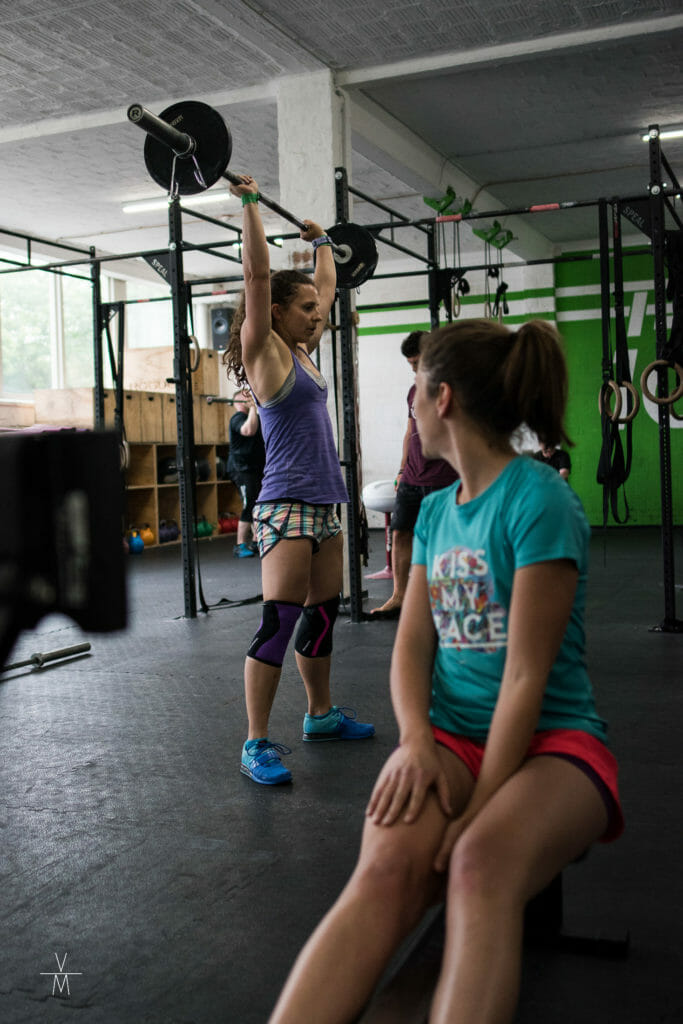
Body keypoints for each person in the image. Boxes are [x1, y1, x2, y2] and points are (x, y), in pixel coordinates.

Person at [267, 318, 623, 1024]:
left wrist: (480, 806)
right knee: (385, 872)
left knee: (477, 868)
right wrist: (416, 742)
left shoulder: (538, 500)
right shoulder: (432, 511)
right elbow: (412, 645)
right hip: (452, 737)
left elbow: (525, 677)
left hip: (553, 744)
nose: (412, 404)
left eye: (415, 390)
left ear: (444, 399)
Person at [223, 173, 374, 787]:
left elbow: (331, 286)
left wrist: (322, 249)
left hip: (326, 501)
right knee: (278, 621)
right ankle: (255, 742)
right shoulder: (267, 350)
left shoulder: (307, 350)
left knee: (323, 613)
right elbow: (257, 277)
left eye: (318, 309)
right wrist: (253, 205)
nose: (319, 316)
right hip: (284, 502)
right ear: (278, 312)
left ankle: (319, 715)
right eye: (307, 308)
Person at [370, 330, 458, 620]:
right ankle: (399, 596)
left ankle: (443, 598)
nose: (415, 369)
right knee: (400, 532)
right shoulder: (413, 390)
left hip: (444, 477)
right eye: (410, 364)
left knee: (444, 538)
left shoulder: (452, 387)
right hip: (412, 476)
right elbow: (411, 432)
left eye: (418, 362)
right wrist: (400, 468)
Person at [227, 388, 266, 558]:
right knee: (249, 505)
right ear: (237, 402)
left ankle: (257, 541)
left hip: (256, 469)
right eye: (246, 397)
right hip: (241, 470)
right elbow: (248, 430)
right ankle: (240, 545)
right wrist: (252, 408)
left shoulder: (254, 417)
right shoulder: (238, 418)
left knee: (259, 506)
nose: (250, 398)